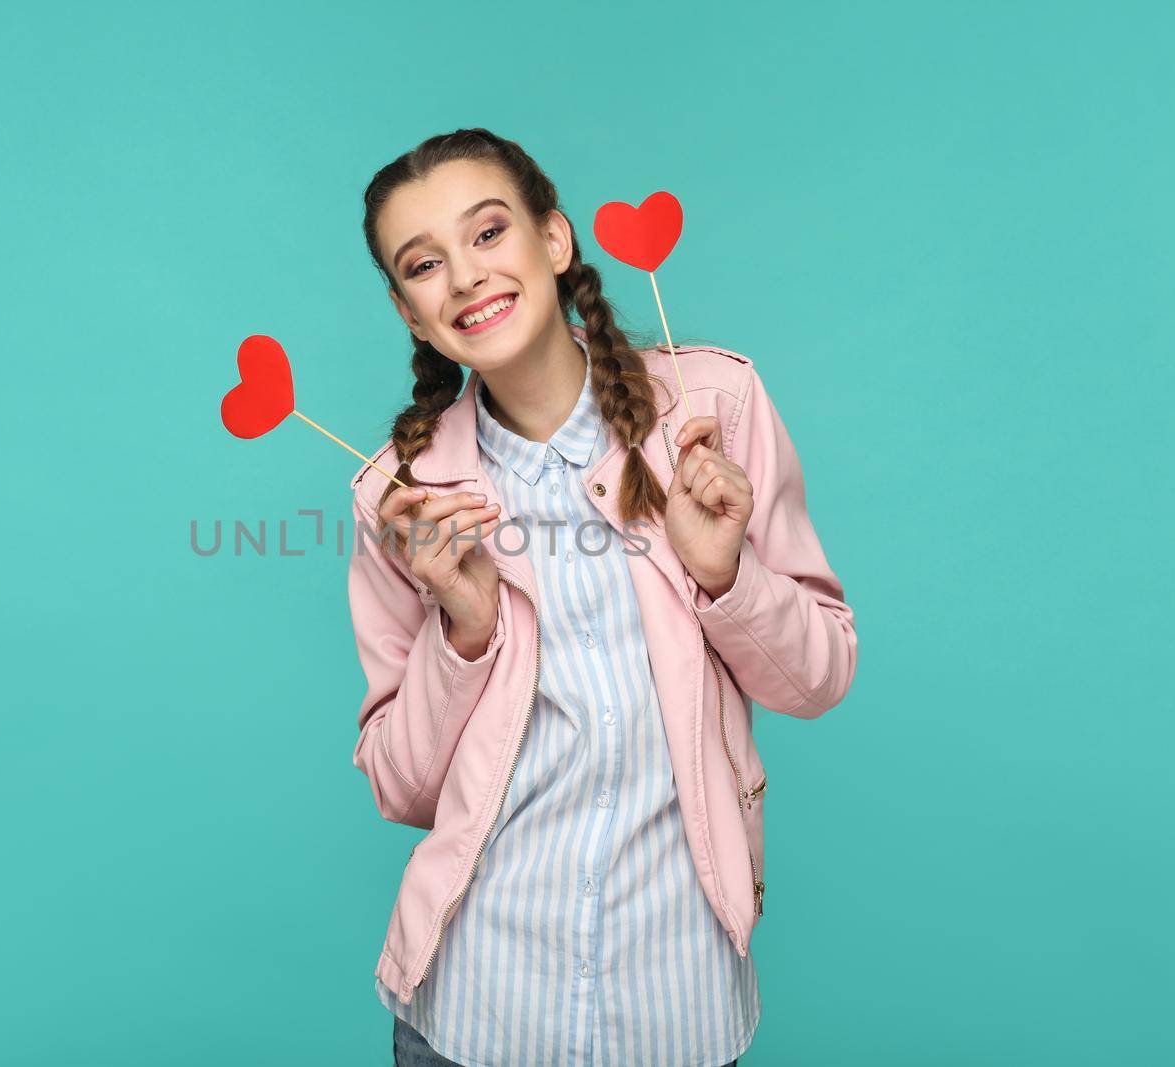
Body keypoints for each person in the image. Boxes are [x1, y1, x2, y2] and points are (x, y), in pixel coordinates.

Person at [346, 128, 859, 1067]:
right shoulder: (404, 497)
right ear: (409, 311)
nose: (464, 276)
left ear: (554, 241)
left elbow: (820, 677)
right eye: (425, 264)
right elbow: (402, 785)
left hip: (680, 1010)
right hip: (473, 1012)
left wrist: (724, 577)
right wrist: (465, 630)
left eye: (489, 233)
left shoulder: (715, 410)